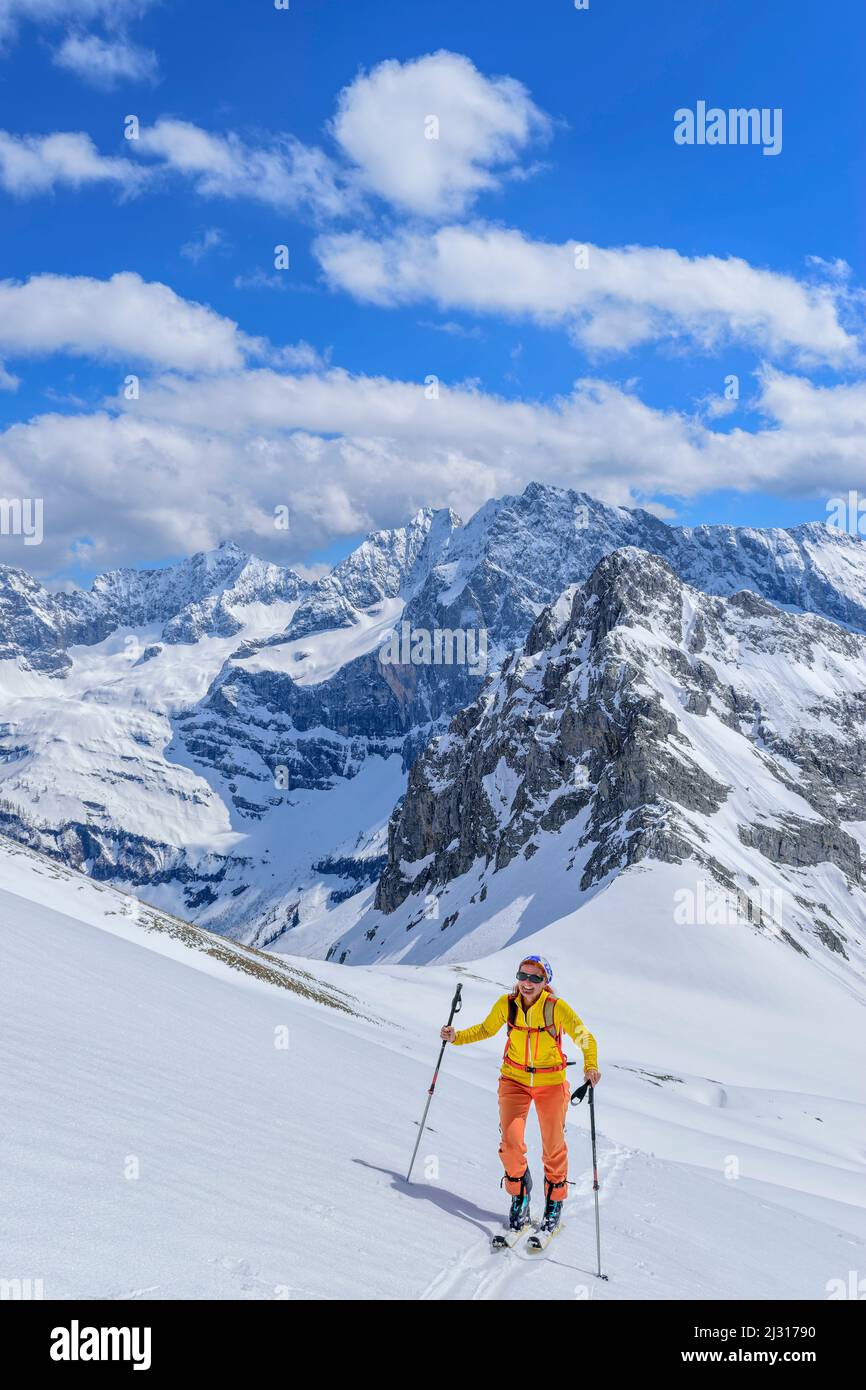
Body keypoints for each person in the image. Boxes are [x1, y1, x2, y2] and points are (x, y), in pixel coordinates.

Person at [441, 954, 600, 1235]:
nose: (527, 982)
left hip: (550, 1083)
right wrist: (457, 1037)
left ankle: (554, 1202)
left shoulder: (555, 1007)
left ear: (545, 981)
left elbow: (585, 1037)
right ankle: (520, 1194)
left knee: (553, 1147)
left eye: (535, 978)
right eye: (523, 976)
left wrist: (591, 1066)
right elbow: (486, 1029)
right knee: (511, 1143)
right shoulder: (507, 1004)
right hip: (514, 1081)